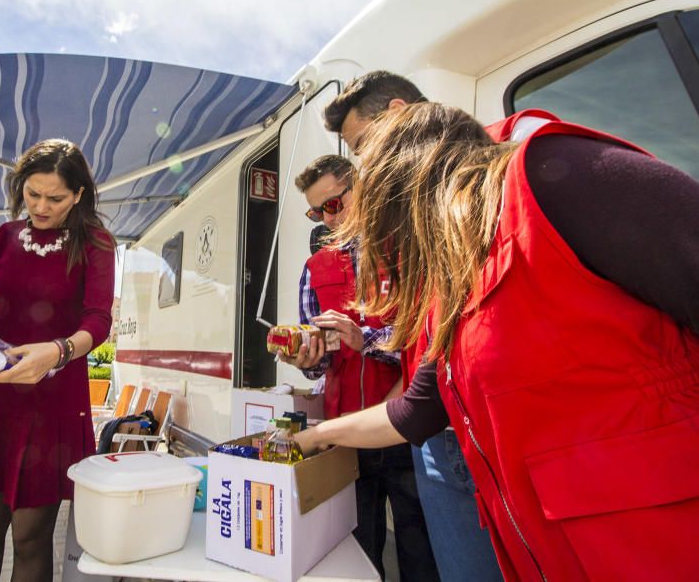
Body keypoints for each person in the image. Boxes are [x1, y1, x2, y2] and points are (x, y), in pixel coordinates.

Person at [296, 103, 699, 581]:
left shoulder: (558, 179)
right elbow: (416, 408)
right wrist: (315, 436)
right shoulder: (458, 284)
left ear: (422, 192)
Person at [323, 71, 502, 582]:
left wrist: (323, 433)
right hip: (432, 433)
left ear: (399, 117)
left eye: (361, 149)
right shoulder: (428, 247)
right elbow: (428, 379)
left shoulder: (533, 178)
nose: (365, 169)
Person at [0, 138, 116, 582]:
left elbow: (99, 320)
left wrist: (59, 350)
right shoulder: (5, 236)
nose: (41, 206)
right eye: (32, 194)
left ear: (78, 195)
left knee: (31, 538)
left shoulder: (95, 242)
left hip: (53, 401)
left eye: (55, 198)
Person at [280, 154, 439, 581]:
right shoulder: (314, 268)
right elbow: (323, 363)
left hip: (408, 427)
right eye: (317, 211)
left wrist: (363, 340)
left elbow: (427, 343)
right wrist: (307, 359)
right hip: (346, 430)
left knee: (421, 550)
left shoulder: (408, 250)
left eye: (334, 204)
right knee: (356, 553)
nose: (328, 219)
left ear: (361, 189)